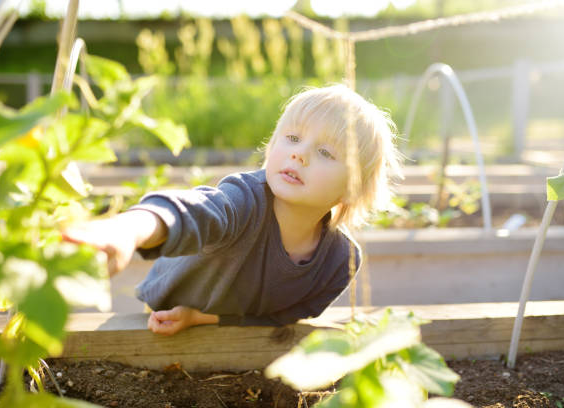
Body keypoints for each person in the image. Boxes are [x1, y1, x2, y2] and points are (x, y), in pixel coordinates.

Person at [63, 84, 402, 336]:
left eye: (326, 153)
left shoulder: (341, 262)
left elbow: (286, 316)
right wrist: (128, 229)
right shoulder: (244, 202)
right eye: (293, 138)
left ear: (354, 189)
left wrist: (201, 318)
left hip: (208, 322)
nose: (300, 154)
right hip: (169, 306)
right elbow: (194, 210)